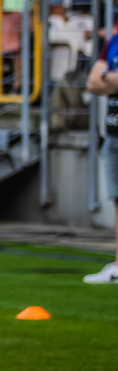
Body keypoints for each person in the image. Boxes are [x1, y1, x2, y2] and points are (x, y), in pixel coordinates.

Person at [84, 20, 118, 283]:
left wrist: (109, 76)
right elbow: (94, 82)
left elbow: (103, 77)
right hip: (114, 132)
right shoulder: (114, 41)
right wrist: (108, 77)